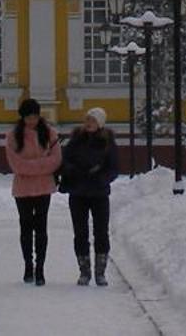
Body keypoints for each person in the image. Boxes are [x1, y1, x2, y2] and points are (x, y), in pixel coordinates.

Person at [58, 106, 120, 286]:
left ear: (100, 123)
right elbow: (64, 161)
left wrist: (101, 178)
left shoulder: (108, 142)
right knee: (80, 232)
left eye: (92, 120)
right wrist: (73, 171)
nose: (88, 124)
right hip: (78, 192)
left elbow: (114, 167)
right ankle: (84, 271)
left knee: (101, 231)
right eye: (87, 120)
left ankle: (100, 272)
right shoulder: (76, 140)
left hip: (99, 193)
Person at [3, 97, 61, 286]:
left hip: (44, 188)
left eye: (35, 116)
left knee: (41, 228)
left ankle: (40, 268)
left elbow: (56, 160)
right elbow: (16, 165)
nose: (32, 121)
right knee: (26, 228)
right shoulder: (13, 136)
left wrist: (31, 166)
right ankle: (28, 264)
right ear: (22, 117)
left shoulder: (50, 133)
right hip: (23, 189)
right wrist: (40, 166)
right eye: (28, 117)